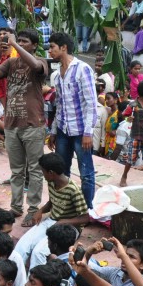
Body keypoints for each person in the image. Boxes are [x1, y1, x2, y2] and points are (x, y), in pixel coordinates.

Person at [0, 28, 49, 226]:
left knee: (34, 169)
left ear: (34, 45)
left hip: (33, 124)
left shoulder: (41, 61)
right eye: (20, 41)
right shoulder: (10, 62)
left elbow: (35, 66)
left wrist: (15, 44)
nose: (21, 43)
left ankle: (33, 209)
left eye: (25, 41)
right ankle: (16, 207)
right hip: (11, 124)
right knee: (16, 170)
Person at [49, 32, 98, 207]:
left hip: (80, 131)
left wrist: (88, 133)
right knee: (62, 169)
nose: (50, 51)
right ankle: (67, 206)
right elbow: (59, 105)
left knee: (86, 172)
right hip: (63, 129)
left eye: (52, 47)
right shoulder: (57, 73)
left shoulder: (82, 69)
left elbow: (91, 103)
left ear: (64, 48)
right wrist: (54, 131)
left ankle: (87, 208)